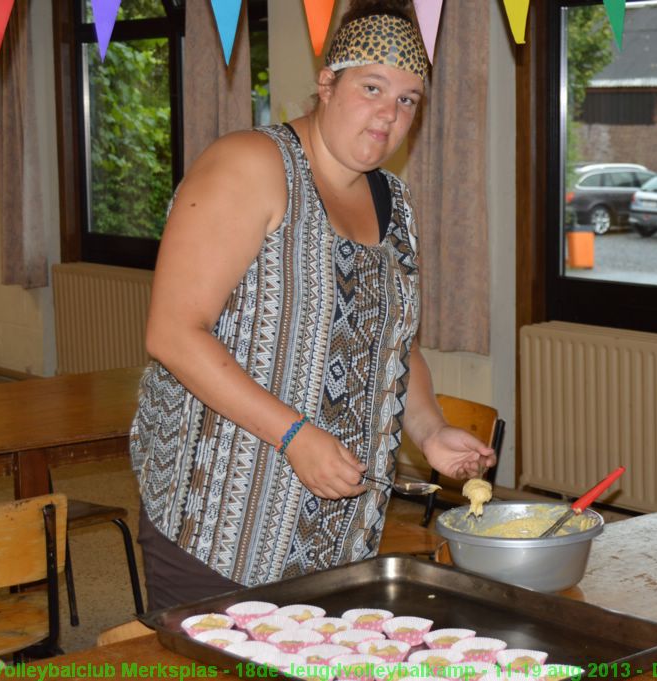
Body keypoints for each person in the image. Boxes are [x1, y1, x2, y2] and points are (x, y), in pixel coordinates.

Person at [129, 0, 495, 611]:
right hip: (222, 518)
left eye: (407, 99)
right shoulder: (251, 164)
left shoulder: (393, 202)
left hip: (339, 532)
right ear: (327, 84)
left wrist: (430, 432)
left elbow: (393, 344)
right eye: (372, 88)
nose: (389, 114)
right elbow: (173, 333)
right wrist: (295, 434)